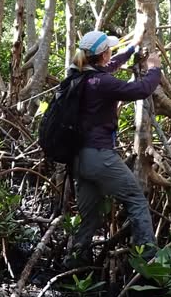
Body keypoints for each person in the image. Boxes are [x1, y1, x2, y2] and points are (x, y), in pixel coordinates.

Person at [65, 27, 162, 268]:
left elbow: (109, 67)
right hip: (99, 157)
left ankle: (75, 265)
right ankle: (148, 262)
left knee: (89, 218)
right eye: (110, 50)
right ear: (103, 54)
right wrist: (154, 68)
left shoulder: (76, 75)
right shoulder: (102, 83)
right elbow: (140, 90)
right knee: (136, 200)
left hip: (77, 160)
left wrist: (130, 49)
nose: (111, 54)